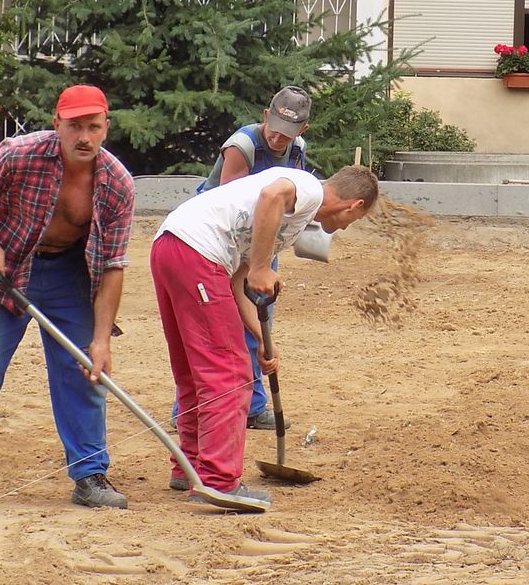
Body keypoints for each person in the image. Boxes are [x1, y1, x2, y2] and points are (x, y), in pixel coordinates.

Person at [0, 85, 136, 509]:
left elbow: (112, 265)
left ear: (107, 127)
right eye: (75, 127)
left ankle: (90, 475)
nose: (84, 137)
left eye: (93, 127)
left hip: (71, 276)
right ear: (58, 124)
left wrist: (102, 340)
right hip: (9, 271)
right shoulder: (22, 152)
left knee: (84, 370)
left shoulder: (118, 184)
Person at [152, 164, 378, 507]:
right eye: (353, 222)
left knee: (192, 371)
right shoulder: (308, 190)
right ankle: (219, 480)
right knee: (229, 374)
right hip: (199, 254)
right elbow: (272, 195)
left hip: (172, 247)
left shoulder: (290, 220)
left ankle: (190, 468)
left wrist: (261, 341)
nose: (345, 227)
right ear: (354, 206)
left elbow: (237, 282)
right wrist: (261, 268)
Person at [178, 85, 311, 431]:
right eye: (276, 129)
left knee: (257, 325)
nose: (280, 139)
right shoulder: (242, 146)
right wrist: (251, 264)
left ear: (302, 131)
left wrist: (264, 259)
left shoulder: (297, 149)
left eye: (289, 134)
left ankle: (252, 406)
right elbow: (231, 202)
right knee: (216, 325)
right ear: (267, 115)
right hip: (218, 240)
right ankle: (187, 410)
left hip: (260, 242)